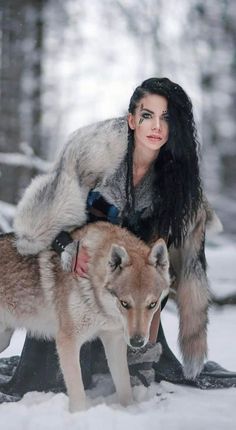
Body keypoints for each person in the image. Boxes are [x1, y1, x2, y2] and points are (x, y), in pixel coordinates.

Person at [1, 77, 235, 399]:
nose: (156, 126)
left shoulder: (178, 187)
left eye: (166, 117)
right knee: (45, 382)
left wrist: (148, 344)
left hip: (128, 296)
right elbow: (42, 221)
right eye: (147, 115)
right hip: (70, 285)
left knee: (141, 371)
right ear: (131, 119)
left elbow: (168, 273)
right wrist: (67, 247)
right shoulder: (91, 153)